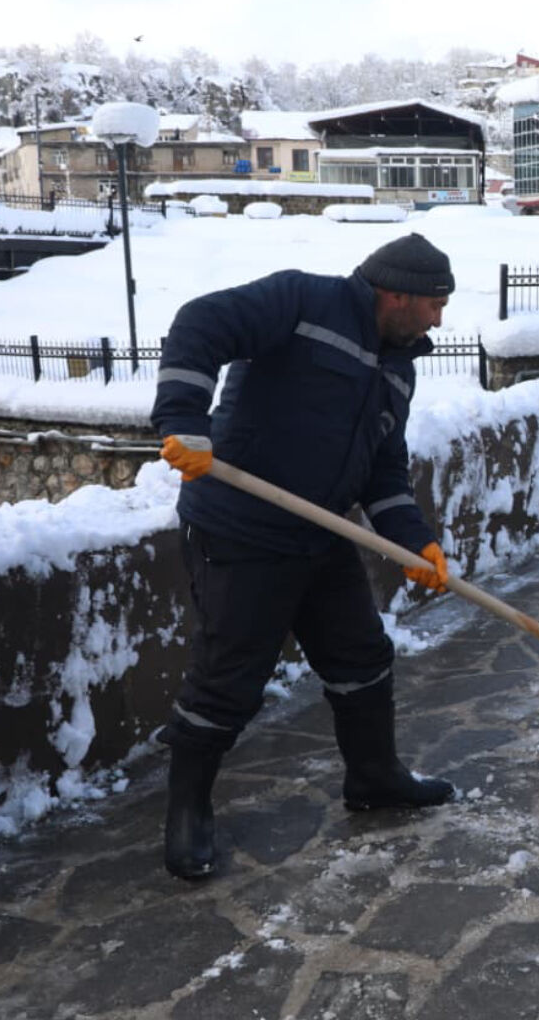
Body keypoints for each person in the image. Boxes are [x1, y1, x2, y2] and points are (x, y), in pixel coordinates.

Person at [152, 232, 458, 880]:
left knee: (362, 657)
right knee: (229, 678)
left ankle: (374, 776)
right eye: (434, 304)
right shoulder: (304, 301)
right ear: (394, 293)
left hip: (319, 534)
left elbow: (383, 468)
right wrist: (184, 418)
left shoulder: (398, 365)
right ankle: (186, 814)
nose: (439, 318)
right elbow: (201, 323)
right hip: (242, 532)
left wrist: (412, 539)